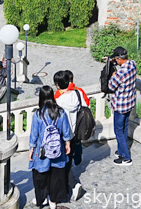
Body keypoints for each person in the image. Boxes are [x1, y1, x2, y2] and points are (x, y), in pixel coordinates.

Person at [27, 86, 72, 209]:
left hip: (43, 151)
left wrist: (31, 149)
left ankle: (41, 198)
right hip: (58, 149)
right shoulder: (61, 112)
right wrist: (67, 144)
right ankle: (53, 201)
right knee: (56, 176)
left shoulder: (38, 114)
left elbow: (34, 134)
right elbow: (66, 131)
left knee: (40, 176)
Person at [54, 70, 89, 200]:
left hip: (64, 135)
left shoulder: (59, 100)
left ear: (58, 85)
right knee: (69, 160)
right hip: (76, 132)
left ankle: (73, 184)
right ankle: (68, 184)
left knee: (63, 162)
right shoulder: (78, 93)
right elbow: (85, 105)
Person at [106, 46, 137, 166]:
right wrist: (113, 61)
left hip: (120, 105)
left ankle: (126, 158)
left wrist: (113, 75)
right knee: (124, 127)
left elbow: (111, 86)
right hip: (129, 103)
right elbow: (124, 64)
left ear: (119, 59)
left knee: (118, 131)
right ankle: (121, 151)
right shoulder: (132, 65)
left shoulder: (120, 73)